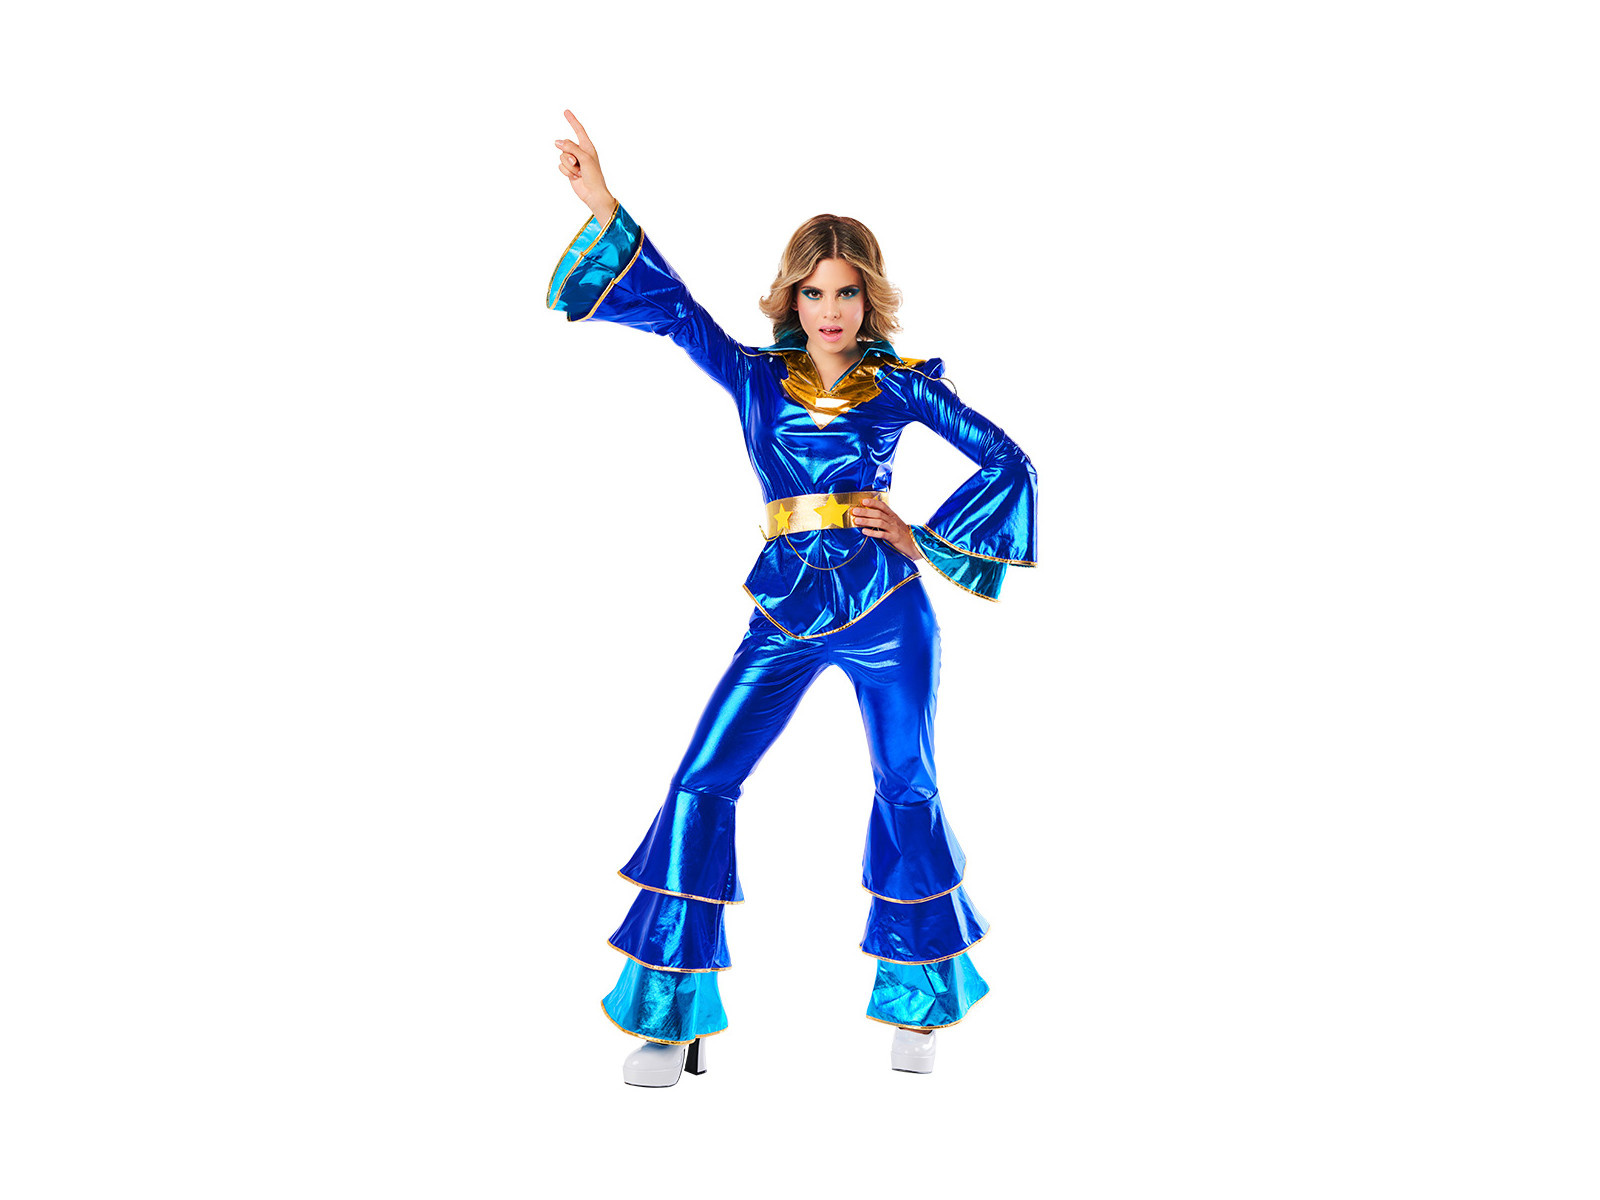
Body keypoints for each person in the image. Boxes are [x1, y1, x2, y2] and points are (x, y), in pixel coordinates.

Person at [548, 111, 1037, 1087]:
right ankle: (671, 1017)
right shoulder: (755, 377)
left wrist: (923, 536)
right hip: (782, 610)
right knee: (701, 781)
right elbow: (676, 309)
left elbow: (1008, 460)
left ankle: (919, 1003)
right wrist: (601, 200)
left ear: (867, 298)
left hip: (886, 612)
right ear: (792, 296)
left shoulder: (898, 387)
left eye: (846, 292)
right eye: (814, 291)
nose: (829, 309)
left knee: (906, 783)